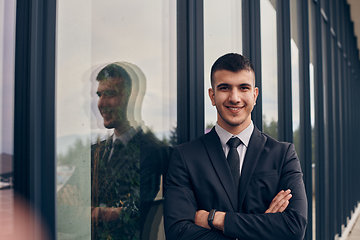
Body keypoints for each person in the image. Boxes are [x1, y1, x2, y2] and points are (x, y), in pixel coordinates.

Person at [164, 53, 307, 240]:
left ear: (254, 95)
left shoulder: (283, 155)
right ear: (212, 95)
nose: (234, 97)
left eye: (243, 88)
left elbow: (294, 227)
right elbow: (178, 232)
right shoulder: (184, 157)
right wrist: (262, 229)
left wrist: (217, 219)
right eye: (224, 88)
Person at [58, 62, 170, 240]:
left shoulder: (156, 152)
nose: (101, 103)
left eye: (110, 94)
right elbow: (59, 211)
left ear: (132, 99)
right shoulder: (94, 153)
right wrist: (102, 212)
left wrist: (82, 210)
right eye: (99, 95)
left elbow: (130, 215)